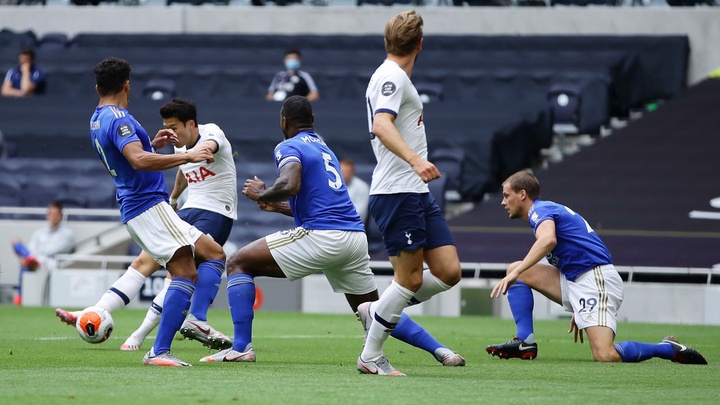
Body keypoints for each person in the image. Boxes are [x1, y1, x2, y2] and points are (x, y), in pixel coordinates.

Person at [198, 95, 464, 371]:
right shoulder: (325, 149)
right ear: (312, 121)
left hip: (323, 237)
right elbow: (323, 204)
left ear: (283, 121)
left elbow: (290, 182)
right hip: (353, 239)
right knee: (374, 309)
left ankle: (241, 348)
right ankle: (442, 350)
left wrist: (260, 193)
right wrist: (279, 207)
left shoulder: (288, 145)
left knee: (238, 262)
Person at [55, 97, 237, 353]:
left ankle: (140, 335)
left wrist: (194, 152)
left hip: (216, 213)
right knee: (142, 264)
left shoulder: (211, 132)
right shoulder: (179, 147)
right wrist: (174, 199)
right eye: (168, 127)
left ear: (191, 124)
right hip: (186, 210)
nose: (171, 133)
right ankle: (97, 310)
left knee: (178, 274)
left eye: (175, 127)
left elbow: (208, 147)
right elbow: (184, 173)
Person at [486, 170, 707, 365]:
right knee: (520, 271)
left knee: (605, 355)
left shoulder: (539, 211)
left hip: (596, 279)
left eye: (506, 195)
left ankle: (668, 348)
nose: (503, 202)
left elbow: (548, 241)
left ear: (522, 194)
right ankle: (525, 341)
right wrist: (579, 307)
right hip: (578, 279)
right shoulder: (545, 211)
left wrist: (514, 273)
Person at [87, 57, 226, 367]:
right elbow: (137, 161)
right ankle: (159, 351)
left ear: (98, 88)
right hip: (146, 205)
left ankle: (196, 319)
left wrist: (151, 144)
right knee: (186, 272)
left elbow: (128, 157)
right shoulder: (119, 119)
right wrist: (187, 155)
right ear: (127, 85)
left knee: (214, 253)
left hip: (144, 205)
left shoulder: (98, 118)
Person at [357, 10, 462, 376]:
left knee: (449, 271)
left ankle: (380, 308)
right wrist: (416, 160)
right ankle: (371, 355)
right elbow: (381, 124)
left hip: (415, 192)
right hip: (396, 190)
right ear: (420, 45)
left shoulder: (395, 76)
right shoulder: (391, 77)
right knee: (411, 279)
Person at [11, 201, 74, 306]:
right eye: (51, 214)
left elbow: (57, 251)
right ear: (47, 216)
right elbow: (31, 248)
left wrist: (35, 255)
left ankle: (19, 295)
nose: (53, 217)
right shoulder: (39, 233)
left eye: (56, 214)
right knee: (15, 240)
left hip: (51, 262)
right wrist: (30, 255)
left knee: (26, 262)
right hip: (35, 259)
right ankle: (29, 259)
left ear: (61, 217)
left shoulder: (67, 234)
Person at [340, 157, 370, 224]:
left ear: (352, 172)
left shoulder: (362, 187)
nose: (345, 175)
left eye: (347, 172)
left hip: (355, 225)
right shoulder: (332, 185)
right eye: (342, 172)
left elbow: (361, 212)